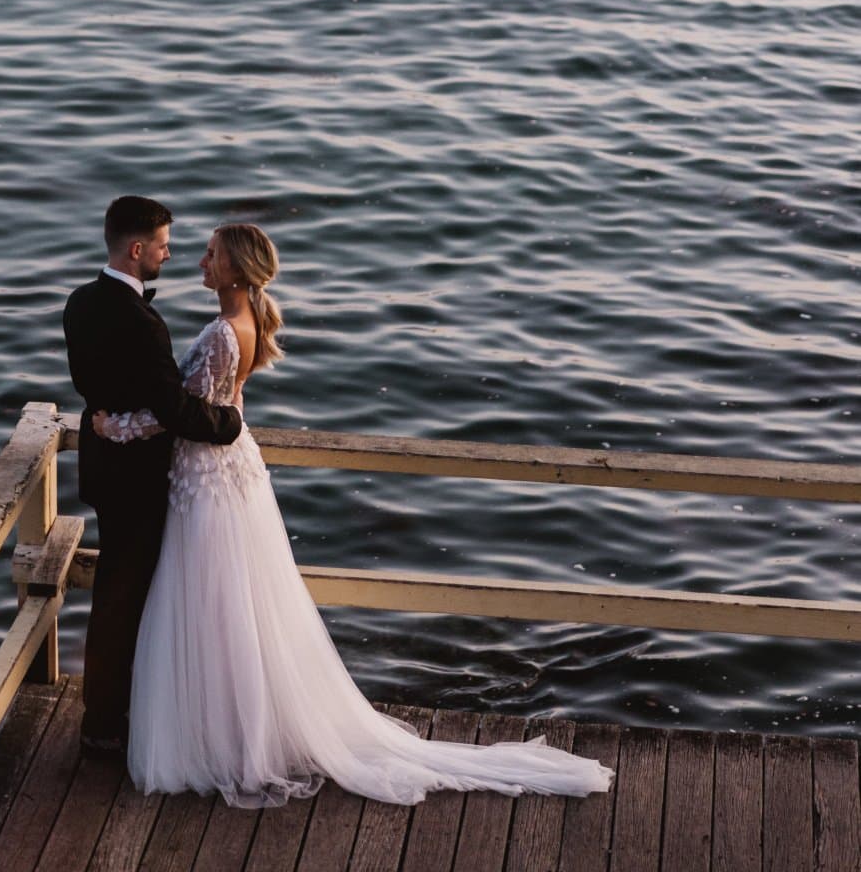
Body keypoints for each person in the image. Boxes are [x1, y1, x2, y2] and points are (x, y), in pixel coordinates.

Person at [93, 222, 614, 809]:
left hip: (208, 478)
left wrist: (117, 427)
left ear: (236, 269)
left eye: (212, 255)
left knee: (211, 602)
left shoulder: (220, 333)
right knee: (234, 605)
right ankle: (235, 727)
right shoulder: (246, 322)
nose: (200, 262)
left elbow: (181, 413)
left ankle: (220, 738)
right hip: (229, 471)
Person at [62, 195, 243, 752]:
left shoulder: (79, 302)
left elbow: (89, 386)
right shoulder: (142, 323)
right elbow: (175, 410)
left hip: (102, 470)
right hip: (138, 481)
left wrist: (111, 421)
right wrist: (230, 423)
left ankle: (110, 712)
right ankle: (106, 724)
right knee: (127, 599)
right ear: (137, 249)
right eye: (163, 246)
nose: (169, 254)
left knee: (114, 593)